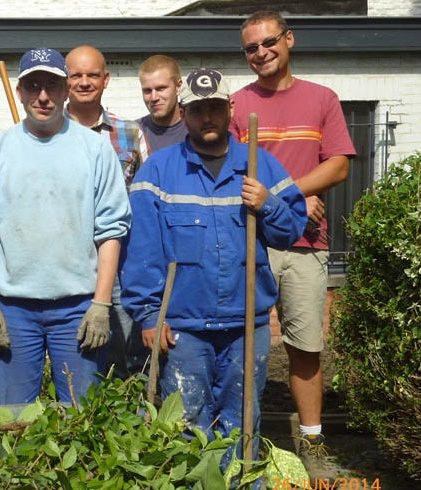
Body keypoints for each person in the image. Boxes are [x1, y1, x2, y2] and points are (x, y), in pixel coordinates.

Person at [121, 69, 306, 458]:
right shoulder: (159, 170)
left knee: (243, 421)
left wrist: (267, 204)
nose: (208, 117)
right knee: (186, 424)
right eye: (198, 109)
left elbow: (290, 231)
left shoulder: (260, 166)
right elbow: (144, 253)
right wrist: (150, 315)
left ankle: (242, 483)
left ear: (230, 109)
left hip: (245, 324)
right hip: (184, 328)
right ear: (184, 112)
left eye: (216, 108)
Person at [0, 48, 131, 404]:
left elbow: (111, 231)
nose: (43, 96)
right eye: (33, 85)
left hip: (78, 309)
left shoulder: (95, 151)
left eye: (52, 85)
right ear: (20, 90)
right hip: (12, 309)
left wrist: (101, 304)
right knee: (11, 419)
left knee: (82, 418)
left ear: (66, 89)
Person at [230, 10, 356, 478]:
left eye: (268, 42)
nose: (261, 52)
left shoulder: (322, 98)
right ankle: (241, 436)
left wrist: (290, 194)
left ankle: (312, 439)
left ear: (289, 39)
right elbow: (231, 171)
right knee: (243, 342)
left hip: (306, 242)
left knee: (304, 346)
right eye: (251, 48)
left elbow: (339, 165)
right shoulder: (237, 105)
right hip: (251, 243)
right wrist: (294, 198)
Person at [64, 44, 146, 378]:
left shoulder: (130, 134)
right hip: (66, 262)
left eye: (92, 75)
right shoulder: (43, 134)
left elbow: (144, 200)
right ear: (65, 80)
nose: (84, 82)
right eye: (76, 75)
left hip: (120, 262)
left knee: (127, 351)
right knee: (76, 355)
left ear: (106, 79)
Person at [136, 54, 188, 153]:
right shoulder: (133, 134)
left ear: (178, 87)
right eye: (147, 91)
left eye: (161, 89)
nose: (154, 97)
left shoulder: (196, 129)